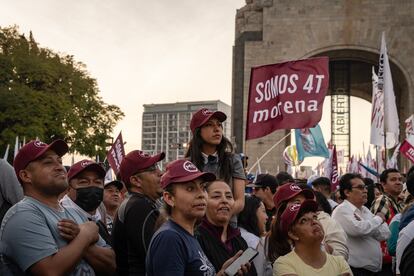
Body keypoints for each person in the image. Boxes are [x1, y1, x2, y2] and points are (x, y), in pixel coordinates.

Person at [0, 140, 115, 275]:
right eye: (48, 163)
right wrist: (85, 235)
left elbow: (111, 264)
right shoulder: (22, 215)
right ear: (26, 176)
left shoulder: (75, 213)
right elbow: (50, 272)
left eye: (59, 161)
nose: (60, 167)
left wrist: (79, 237)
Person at [146, 159, 250, 276]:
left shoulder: (187, 235)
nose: (201, 194)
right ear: (169, 198)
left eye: (203, 187)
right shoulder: (170, 238)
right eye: (190, 188)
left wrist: (222, 274)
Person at [185, 108, 246, 217]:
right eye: (209, 125)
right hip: (197, 227)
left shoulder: (233, 160)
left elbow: (240, 202)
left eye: (219, 125)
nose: (216, 129)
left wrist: (218, 217)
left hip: (227, 226)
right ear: (198, 132)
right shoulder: (187, 165)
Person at [111, 150, 164, 276]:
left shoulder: (141, 203)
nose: (160, 173)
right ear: (136, 181)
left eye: (157, 167)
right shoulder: (138, 207)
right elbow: (160, 261)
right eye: (152, 170)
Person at [269, 182, 349, 261]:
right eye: (297, 203)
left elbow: (342, 259)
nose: (303, 205)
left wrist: (321, 246)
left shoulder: (324, 221)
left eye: (305, 201)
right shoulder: (273, 238)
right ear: (282, 210)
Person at [332, 173, 390, 276]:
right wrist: (378, 219)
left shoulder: (365, 210)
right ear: (347, 192)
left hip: (374, 271)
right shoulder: (341, 210)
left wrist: (368, 226)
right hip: (356, 270)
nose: (365, 190)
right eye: (360, 187)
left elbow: (385, 234)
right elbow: (358, 230)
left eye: (365, 187)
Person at [274, 200, 352, 276]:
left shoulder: (340, 262)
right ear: (293, 234)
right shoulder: (283, 264)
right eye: (303, 220)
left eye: (315, 217)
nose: (314, 221)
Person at [196, 180, 257, 275]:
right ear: (204, 202)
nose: (224, 200)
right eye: (216, 196)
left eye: (229, 196)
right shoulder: (196, 238)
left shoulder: (239, 240)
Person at [61, 159, 111, 244]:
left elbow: (111, 255)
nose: (92, 186)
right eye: (83, 182)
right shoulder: (62, 219)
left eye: (97, 182)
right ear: (68, 188)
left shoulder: (98, 217)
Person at [371, 168, 404, 274]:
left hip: (396, 257)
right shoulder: (382, 200)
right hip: (386, 261)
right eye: (393, 179)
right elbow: (376, 228)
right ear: (383, 184)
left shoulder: (400, 203)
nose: (398, 182)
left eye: (400, 179)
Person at [238, 195, 272, 276]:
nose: (267, 217)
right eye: (263, 211)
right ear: (252, 212)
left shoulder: (237, 234)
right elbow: (259, 272)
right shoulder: (254, 241)